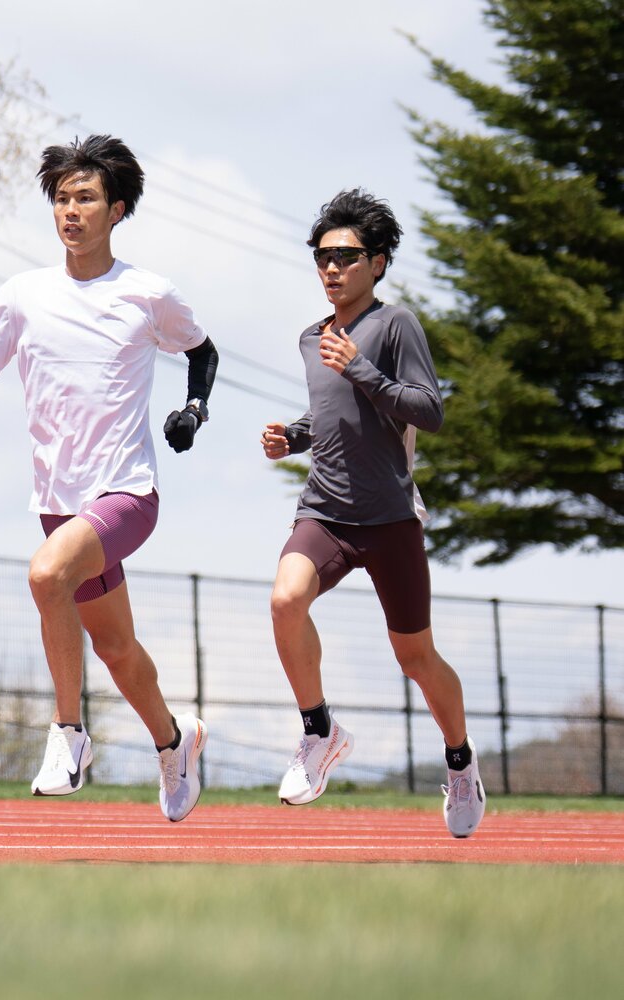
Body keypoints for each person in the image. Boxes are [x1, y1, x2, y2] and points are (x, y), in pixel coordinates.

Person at [0, 134, 218, 823]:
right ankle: (174, 742)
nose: (71, 210)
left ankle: (68, 734)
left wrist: (193, 410)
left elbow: (202, 351)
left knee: (45, 576)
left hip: (126, 493)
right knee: (116, 648)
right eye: (62, 198)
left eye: (86, 198)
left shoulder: (147, 293)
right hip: (57, 503)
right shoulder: (22, 294)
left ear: (116, 210)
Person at [260, 188, 485, 838]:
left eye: (346, 257)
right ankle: (319, 731)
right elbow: (332, 418)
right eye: (322, 257)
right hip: (325, 511)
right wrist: (293, 437)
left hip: (390, 518)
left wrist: (363, 370)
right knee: (285, 600)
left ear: (378, 263)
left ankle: (460, 761)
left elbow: (428, 411)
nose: (331, 268)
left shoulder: (396, 326)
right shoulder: (312, 338)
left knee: (415, 657)